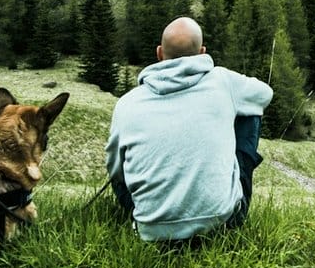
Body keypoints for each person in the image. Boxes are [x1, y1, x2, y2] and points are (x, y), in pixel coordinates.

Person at [105, 16, 273, 243]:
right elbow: (264, 94)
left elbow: (116, 172)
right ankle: (223, 194)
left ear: (159, 53)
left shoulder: (126, 103)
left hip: (151, 232)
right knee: (250, 111)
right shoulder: (223, 82)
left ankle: (153, 215)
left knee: (119, 170)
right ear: (202, 52)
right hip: (222, 223)